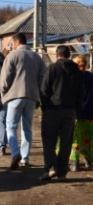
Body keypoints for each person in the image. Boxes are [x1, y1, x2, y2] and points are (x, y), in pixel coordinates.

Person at [0, 33, 46, 170]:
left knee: (11, 126)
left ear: (18, 42)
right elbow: (42, 80)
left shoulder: (12, 56)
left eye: (12, 43)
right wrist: (38, 95)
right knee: (27, 128)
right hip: (32, 97)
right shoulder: (37, 58)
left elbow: (5, 78)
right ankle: (25, 158)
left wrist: (4, 93)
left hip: (15, 96)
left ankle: (15, 152)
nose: (11, 45)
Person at [39, 45, 83, 181]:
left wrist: (44, 106)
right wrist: (76, 108)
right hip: (70, 110)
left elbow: (44, 89)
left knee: (49, 139)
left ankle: (50, 168)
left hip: (53, 109)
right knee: (66, 142)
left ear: (57, 55)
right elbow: (80, 93)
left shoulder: (52, 68)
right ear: (69, 55)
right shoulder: (76, 71)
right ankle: (62, 171)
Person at [67, 56, 93, 171]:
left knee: (75, 139)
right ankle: (88, 161)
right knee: (88, 138)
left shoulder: (72, 78)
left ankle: (75, 163)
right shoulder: (91, 77)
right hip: (91, 113)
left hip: (76, 113)